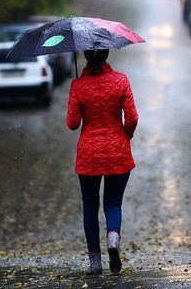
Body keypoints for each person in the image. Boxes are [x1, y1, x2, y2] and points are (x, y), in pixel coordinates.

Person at [66, 49, 139, 275]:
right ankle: (113, 240)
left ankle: (95, 263)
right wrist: (125, 134)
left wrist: (79, 95)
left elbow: (72, 124)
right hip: (117, 151)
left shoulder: (78, 85)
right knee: (113, 204)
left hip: (89, 154)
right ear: (107, 54)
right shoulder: (121, 80)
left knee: (90, 206)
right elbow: (133, 117)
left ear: (86, 56)